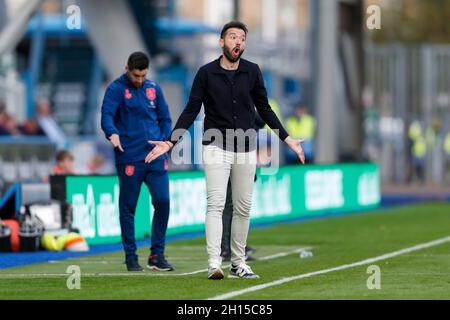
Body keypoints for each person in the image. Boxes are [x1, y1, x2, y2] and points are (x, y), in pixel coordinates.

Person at [145, 21, 305, 280]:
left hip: (245, 147)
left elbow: (264, 109)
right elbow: (191, 110)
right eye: (232, 37)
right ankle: (213, 263)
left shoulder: (252, 71)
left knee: (243, 208)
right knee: (216, 204)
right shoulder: (206, 73)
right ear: (222, 42)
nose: (237, 41)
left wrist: (286, 138)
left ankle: (238, 263)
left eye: (242, 37)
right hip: (215, 146)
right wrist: (170, 142)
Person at [100, 51, 173, 272]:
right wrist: (111, 133)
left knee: (163, 201)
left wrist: (164, 142)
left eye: (143, 75)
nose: (139, 80)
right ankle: (131, 257)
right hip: (129, 156)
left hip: (155, 156)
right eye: (135, 75)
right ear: (127, 69)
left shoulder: (154, 89)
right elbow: (106, 116)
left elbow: (166, 118)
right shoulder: (115, 90)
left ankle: (156, 254)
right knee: (128, 207)